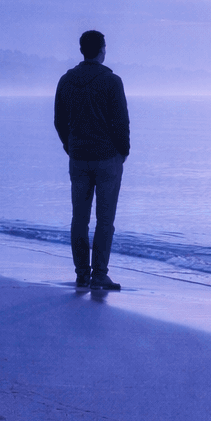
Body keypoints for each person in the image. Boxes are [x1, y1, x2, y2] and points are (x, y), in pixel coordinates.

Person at [54, 30, 130, 291]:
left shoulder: (66, 80)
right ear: (102, 50)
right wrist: (123, 152)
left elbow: (59, 121)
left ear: (82, 50)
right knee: (105, 220)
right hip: (107, 158)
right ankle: (99, 274)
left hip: (78, 158)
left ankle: (81, 274)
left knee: (79, 219)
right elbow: (121, 122)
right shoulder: (111, 81)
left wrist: (70, 146)